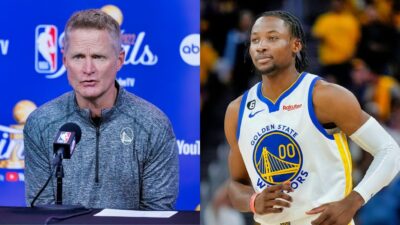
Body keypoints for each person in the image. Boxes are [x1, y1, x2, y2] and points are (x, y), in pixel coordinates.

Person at [224, 10, 400, 225]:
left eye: (272, 38)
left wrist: (354, 200)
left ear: (295, 46)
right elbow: (236, 185)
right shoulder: (237, 110)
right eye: (255, 40)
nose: (261, 46)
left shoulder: (325, 96)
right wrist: (253, 201)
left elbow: (390, 151)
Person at [24, 9, 179, 210]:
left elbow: (157, 214)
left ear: (119, 61)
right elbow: (40, 212)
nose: (88, 69)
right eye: (79, 57)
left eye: (98, 57)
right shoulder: (41, 123)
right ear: (64, 61)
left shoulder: (153, 125)